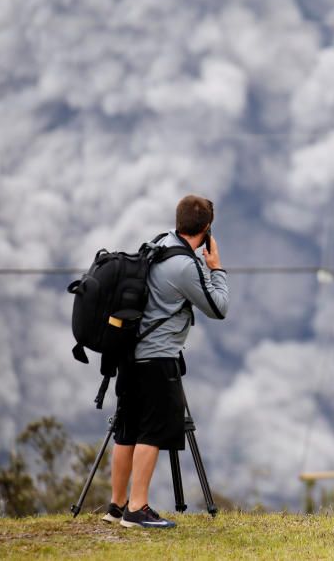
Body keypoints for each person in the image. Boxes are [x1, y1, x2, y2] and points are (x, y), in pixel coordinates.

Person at [103, 195, 230, 529]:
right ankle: (138, 508)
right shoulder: (186, 266)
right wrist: (216, 268)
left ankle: (116, 506)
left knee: (126, 430)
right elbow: (218, 308)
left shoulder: (157, 243)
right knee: (153, 431)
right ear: (206, 228)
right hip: (158, 359)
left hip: (129, 354)